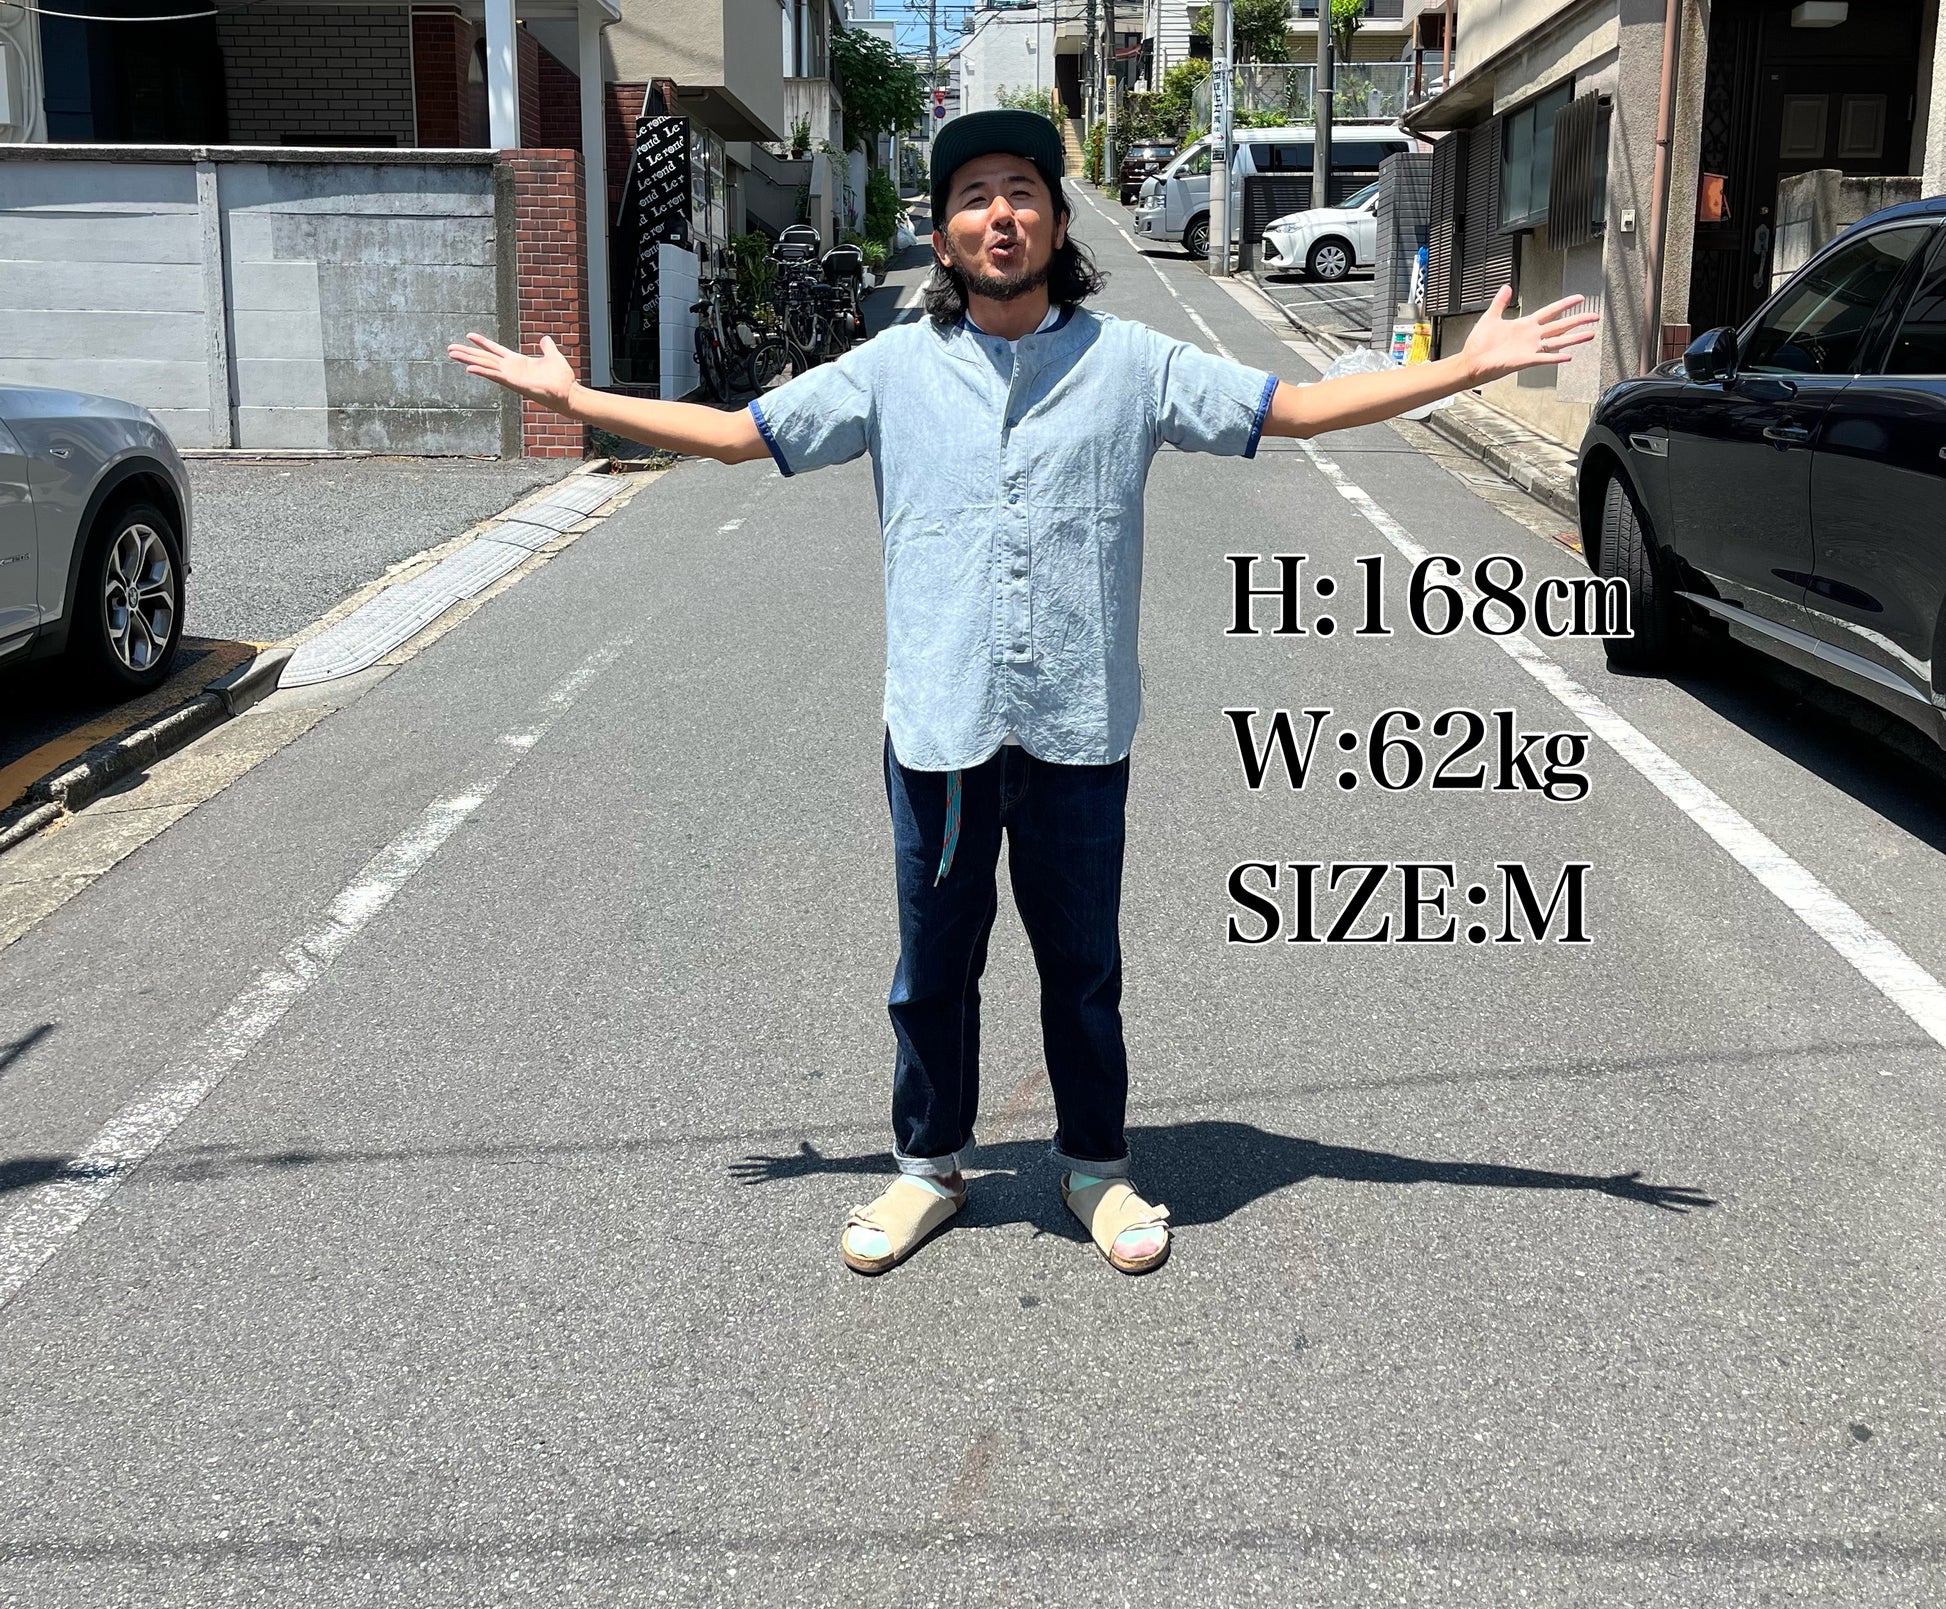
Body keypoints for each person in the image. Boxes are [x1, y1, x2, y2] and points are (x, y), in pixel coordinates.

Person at [447, 108, 1595, 1281]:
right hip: (940, 728)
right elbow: (741, 435)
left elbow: (1290, 409)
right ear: (945, 234)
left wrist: (1462, 369)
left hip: (1076, 730)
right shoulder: (892, 367)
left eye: (1021, 192)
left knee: (1081, 967)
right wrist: (578, 400)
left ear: (1054, 219)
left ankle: (1095, 1164)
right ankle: (928, 1164)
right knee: (932, 973)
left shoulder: (1132, 362)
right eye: (973, 197)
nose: (999, 214)